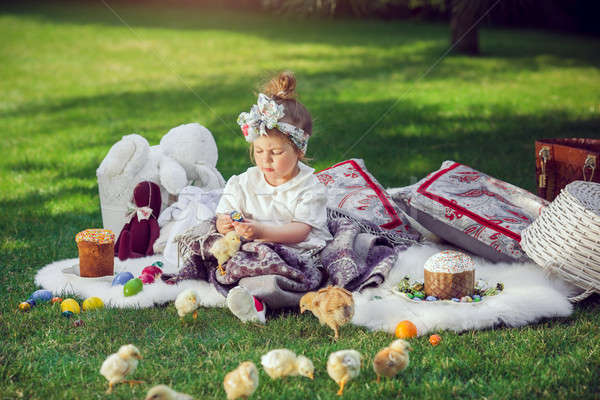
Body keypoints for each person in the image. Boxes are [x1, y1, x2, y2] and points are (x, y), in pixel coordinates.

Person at [215, 71, 333, 323]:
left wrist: (260, 231)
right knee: (225, 258)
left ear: (300, 150)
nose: (265, 159)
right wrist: (224, 224)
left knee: (283, 275)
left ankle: (260, 301)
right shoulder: (244, 183)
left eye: (276, 152)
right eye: (258, 151)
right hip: (253, 248)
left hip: (294, 251)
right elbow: (224, 214)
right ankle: (250, 296)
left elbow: (300, 231)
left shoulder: (308, 187)